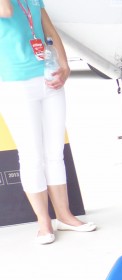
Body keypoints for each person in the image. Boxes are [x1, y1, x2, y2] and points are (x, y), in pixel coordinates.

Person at [0, 0, 96, 245]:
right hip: (15, 82)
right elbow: (5, 11)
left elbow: (49, 28)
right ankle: (43, 222)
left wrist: (64, 64)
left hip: (47, 73)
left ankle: (64, 216)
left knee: (55, 152)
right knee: (31, 155)